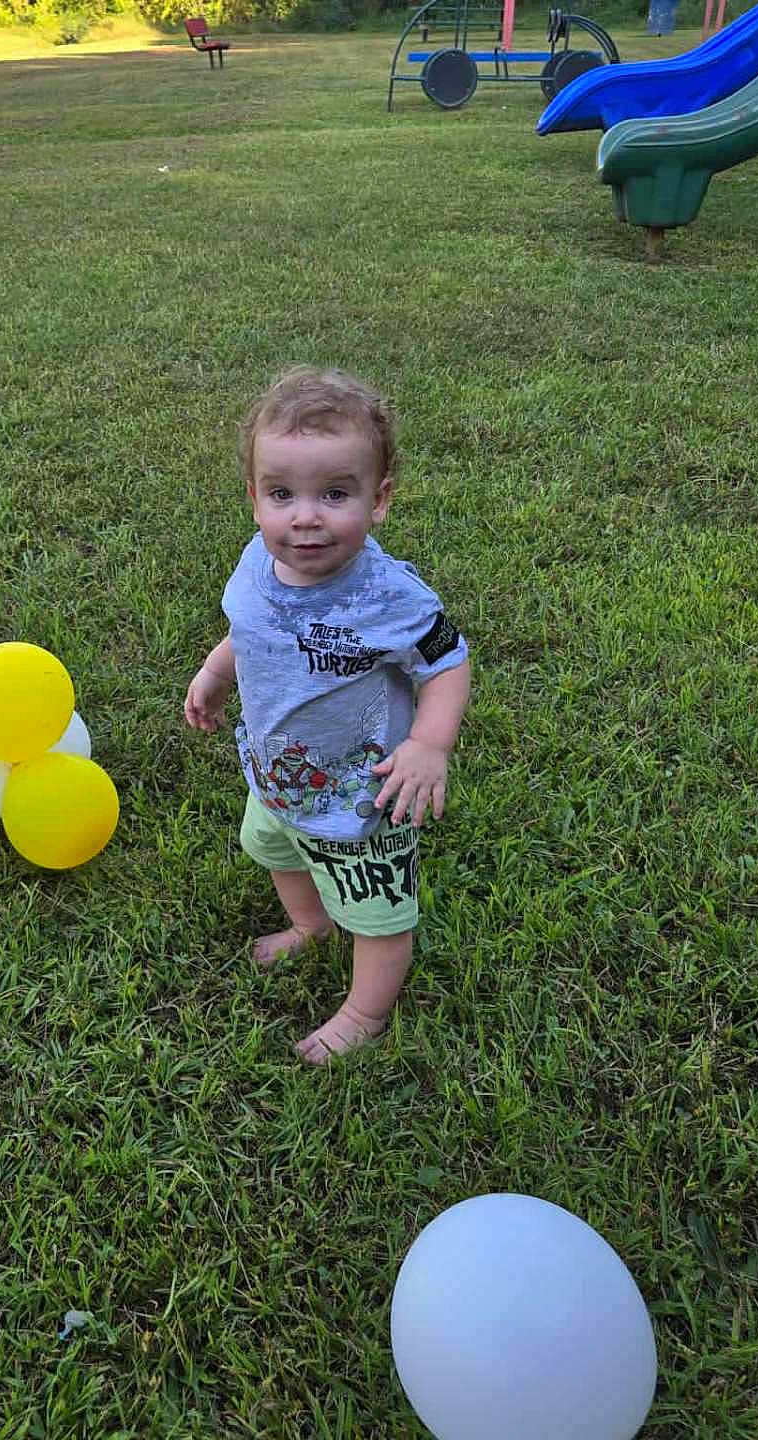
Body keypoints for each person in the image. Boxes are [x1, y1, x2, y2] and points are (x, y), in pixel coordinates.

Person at [184, 366, 471, 1063]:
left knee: (378, 919)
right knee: (277, 850)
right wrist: (216, 673)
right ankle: (311, 927)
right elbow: (247, 630)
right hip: (277, 774)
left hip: (363, 795)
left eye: (335, 494)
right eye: (282, 494)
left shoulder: (391, 597)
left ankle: (364, 1012)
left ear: (380, 501)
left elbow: (448, 662)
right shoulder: (257, 561)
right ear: (254, 499)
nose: (305, 517)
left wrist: (430, 745)